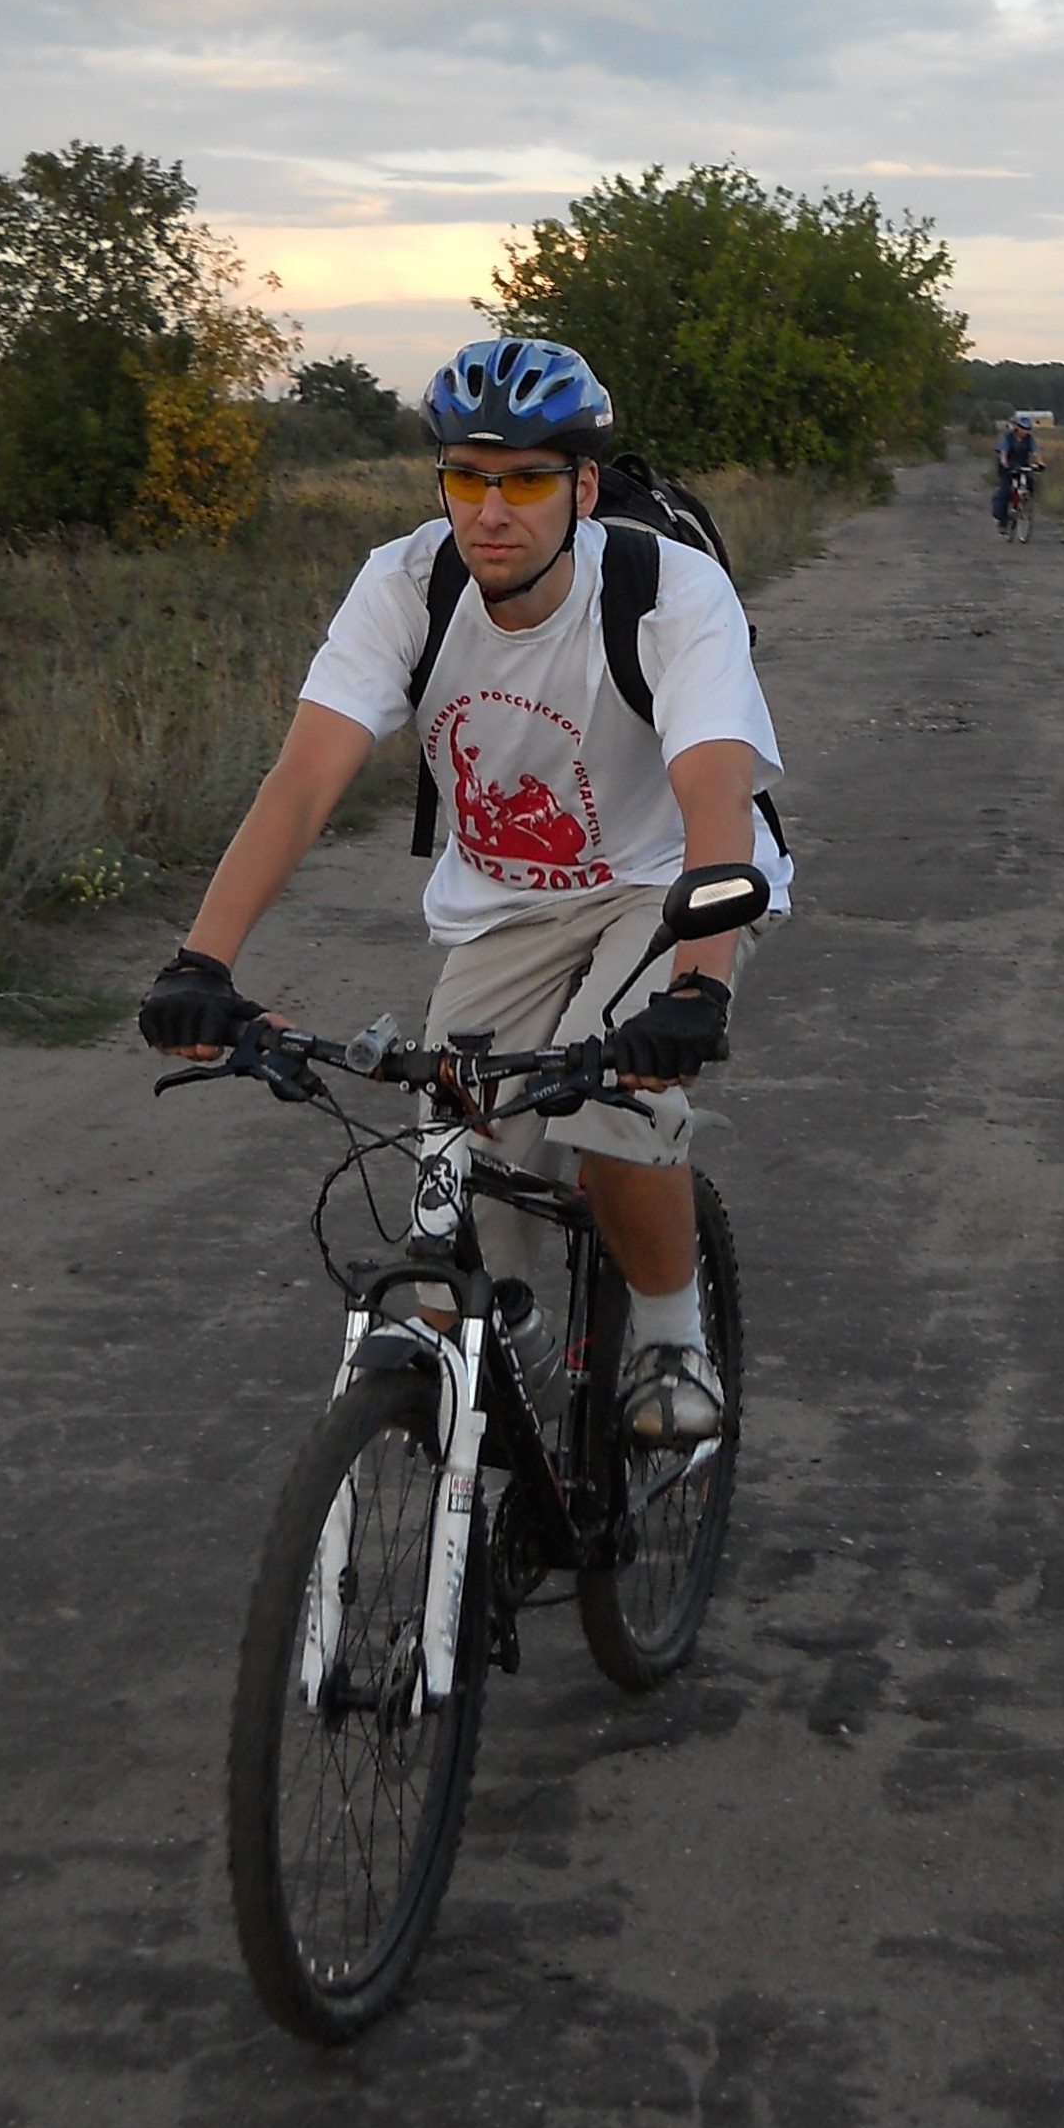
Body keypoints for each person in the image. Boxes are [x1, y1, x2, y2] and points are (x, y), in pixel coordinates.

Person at [137, 336, 789, 1449]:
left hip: (663, 883)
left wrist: (697, 989)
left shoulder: (667, 594)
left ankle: (672, 1335)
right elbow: (303, 781)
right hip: (506, 905)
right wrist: (203, 963)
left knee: (611, 1106)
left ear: (584, 490)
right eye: (467, 478)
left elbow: (714, 789)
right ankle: (503, 1424)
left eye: (527, 480)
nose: (492, 511)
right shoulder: (408, 586)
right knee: (460, 1166)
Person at [991, 410, 1043, 530]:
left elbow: (1036, 452)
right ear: (1017, 427)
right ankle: (1002, 521)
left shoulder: (1030, 439)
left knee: (1031, 481)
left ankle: (1026, 503)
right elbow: (1003, 452)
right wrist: (1005, 463)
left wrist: (1040, 463)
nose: (1025, 431)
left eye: (1027, 429)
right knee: (1005, 491)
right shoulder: (1007, 438)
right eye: (1023, 428)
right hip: (1008, 466)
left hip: (1023, 465)